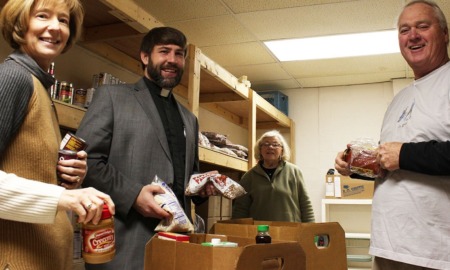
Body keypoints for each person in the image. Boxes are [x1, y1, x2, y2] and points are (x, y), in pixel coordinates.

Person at [76, 26, 214, 270]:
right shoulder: (112, 97)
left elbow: (187, 182)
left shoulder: (189, 119)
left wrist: (202, 187)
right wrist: (134, 195)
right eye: (164, 51)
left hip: (174, 247)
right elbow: (86, 162)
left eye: (179, 54)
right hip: (123, 246)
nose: (172, 60)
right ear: (145, 56)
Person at [0, 0, 115, 269]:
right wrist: (64, 198)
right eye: (42, 16)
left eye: (63, 20)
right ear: (20, 23)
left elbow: (25, 169)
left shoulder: (39, 86)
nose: (55, 27)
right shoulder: (12, 78)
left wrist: (67, 179)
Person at [335, 1, 450, 269]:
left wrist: (405, 154)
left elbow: (402, 156)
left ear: (445, 34)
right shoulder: (400, 99)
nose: (413, 35)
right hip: (389, 246)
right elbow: (388, 164)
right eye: (404, 29)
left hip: (436, 253)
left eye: (423, 26)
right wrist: (354, 165)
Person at [232, 130, 315, 223]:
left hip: (291, 232)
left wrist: (310, 229)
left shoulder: (294, 172)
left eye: (275, 144)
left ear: (282, 150)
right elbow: (240, 210)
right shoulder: (249, 176)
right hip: (261, 233)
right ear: (260, 149)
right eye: (266, 144)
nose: (270, 147)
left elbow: (306, 205)